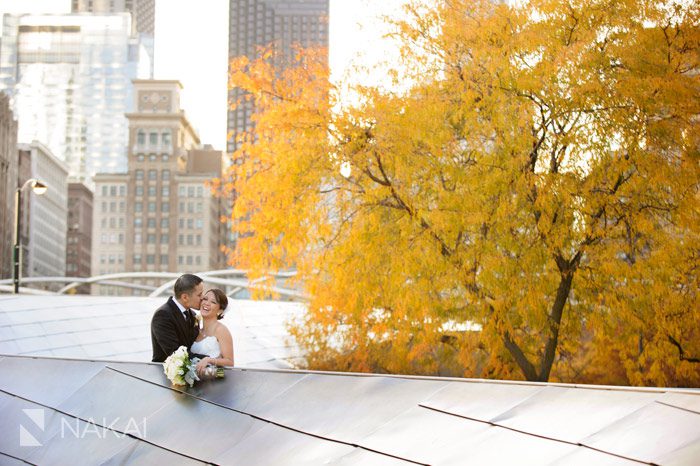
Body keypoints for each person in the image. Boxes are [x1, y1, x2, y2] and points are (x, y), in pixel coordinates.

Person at [151, 273, 207, 362]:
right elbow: (175, 353)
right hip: (164, 374)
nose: (203, 297)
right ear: (185, 297)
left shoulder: (193, 315)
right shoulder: (162, 315)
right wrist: (209, 359)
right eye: (199, 295)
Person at [191, 288, 234, 376]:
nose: (207, 303)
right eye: (205, 299)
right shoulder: (196, 329)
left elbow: (230, 364)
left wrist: (209, 361)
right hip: (193, 385)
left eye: (213, 302)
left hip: (214, 385)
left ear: (220, 310)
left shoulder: (221, 330)